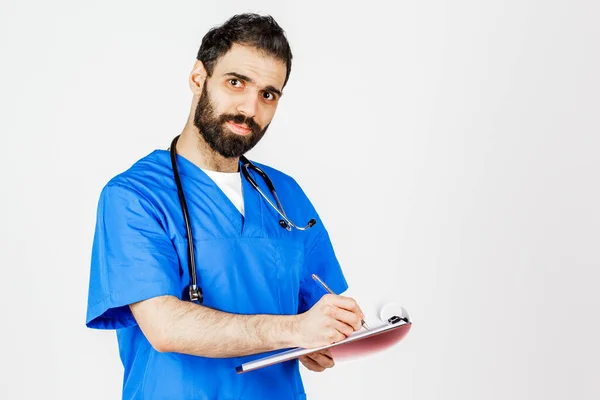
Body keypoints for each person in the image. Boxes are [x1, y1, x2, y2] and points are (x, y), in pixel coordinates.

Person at [85, 13, 365, 399]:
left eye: (268, 94)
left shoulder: (286, 194)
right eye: (236, 83)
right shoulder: (134, 195)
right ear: (199, 78)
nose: (250, 108)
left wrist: (330, 337)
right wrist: (295, 330)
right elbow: (164, 327)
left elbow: (319, 310)